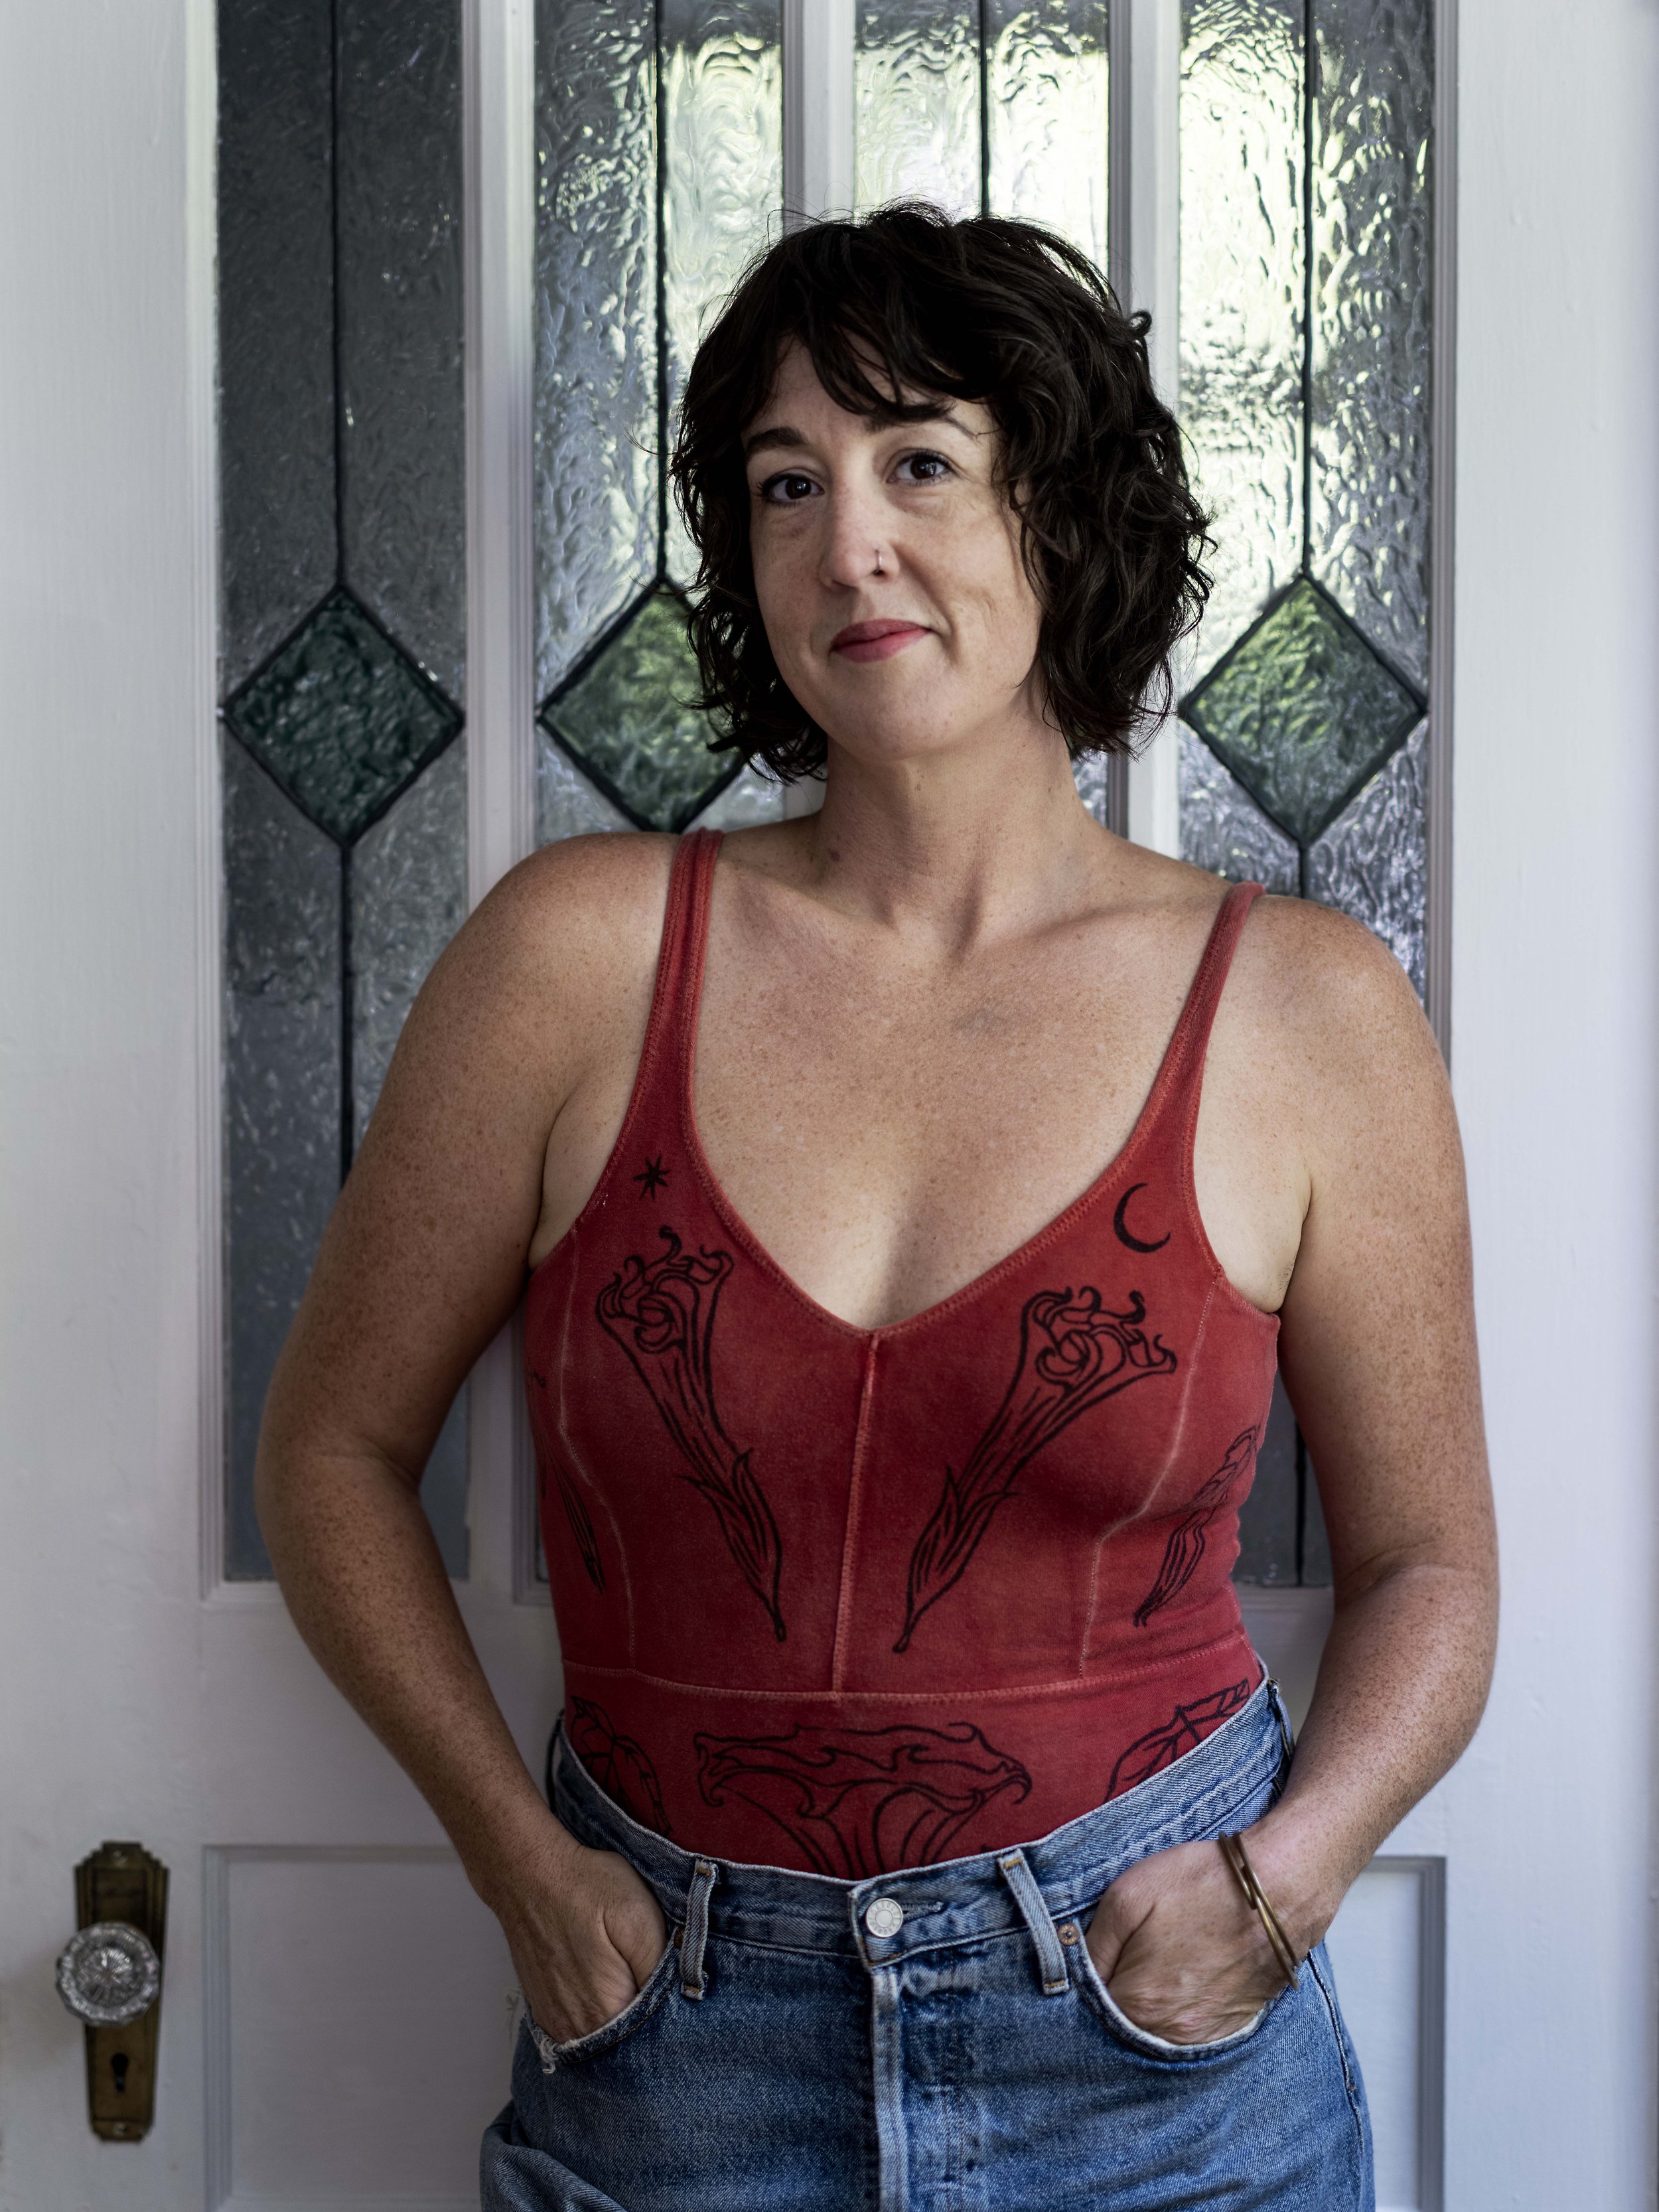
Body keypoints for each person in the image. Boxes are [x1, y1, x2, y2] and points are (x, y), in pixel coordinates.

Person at [257, 206, 1496, 2210]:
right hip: (667, 2040)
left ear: (1058, 510)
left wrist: (1281, 1883)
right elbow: (329, 1451)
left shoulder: (1299, 1010)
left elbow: (1432, 1564)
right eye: (782, 486)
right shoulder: (576, 959)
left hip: (1154, 2054)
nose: (847, 543)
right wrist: (518, 1863)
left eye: (917, 460)